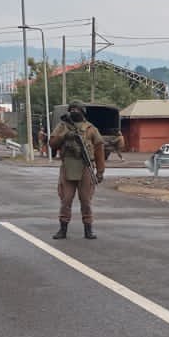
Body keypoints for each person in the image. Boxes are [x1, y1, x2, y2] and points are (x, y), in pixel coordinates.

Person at [49, 100, 106, 239]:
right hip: (68, 166)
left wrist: (100, 171)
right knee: (66, 199)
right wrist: (64, 136)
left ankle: (88, 229)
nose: (74, 111)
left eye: (77, 109)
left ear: (83, 111)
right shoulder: (62, 126)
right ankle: (63, 229)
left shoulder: (90, 128)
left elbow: (99, 149)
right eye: (72, 109)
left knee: (86, 201)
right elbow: (52, 143)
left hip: (85, 166)